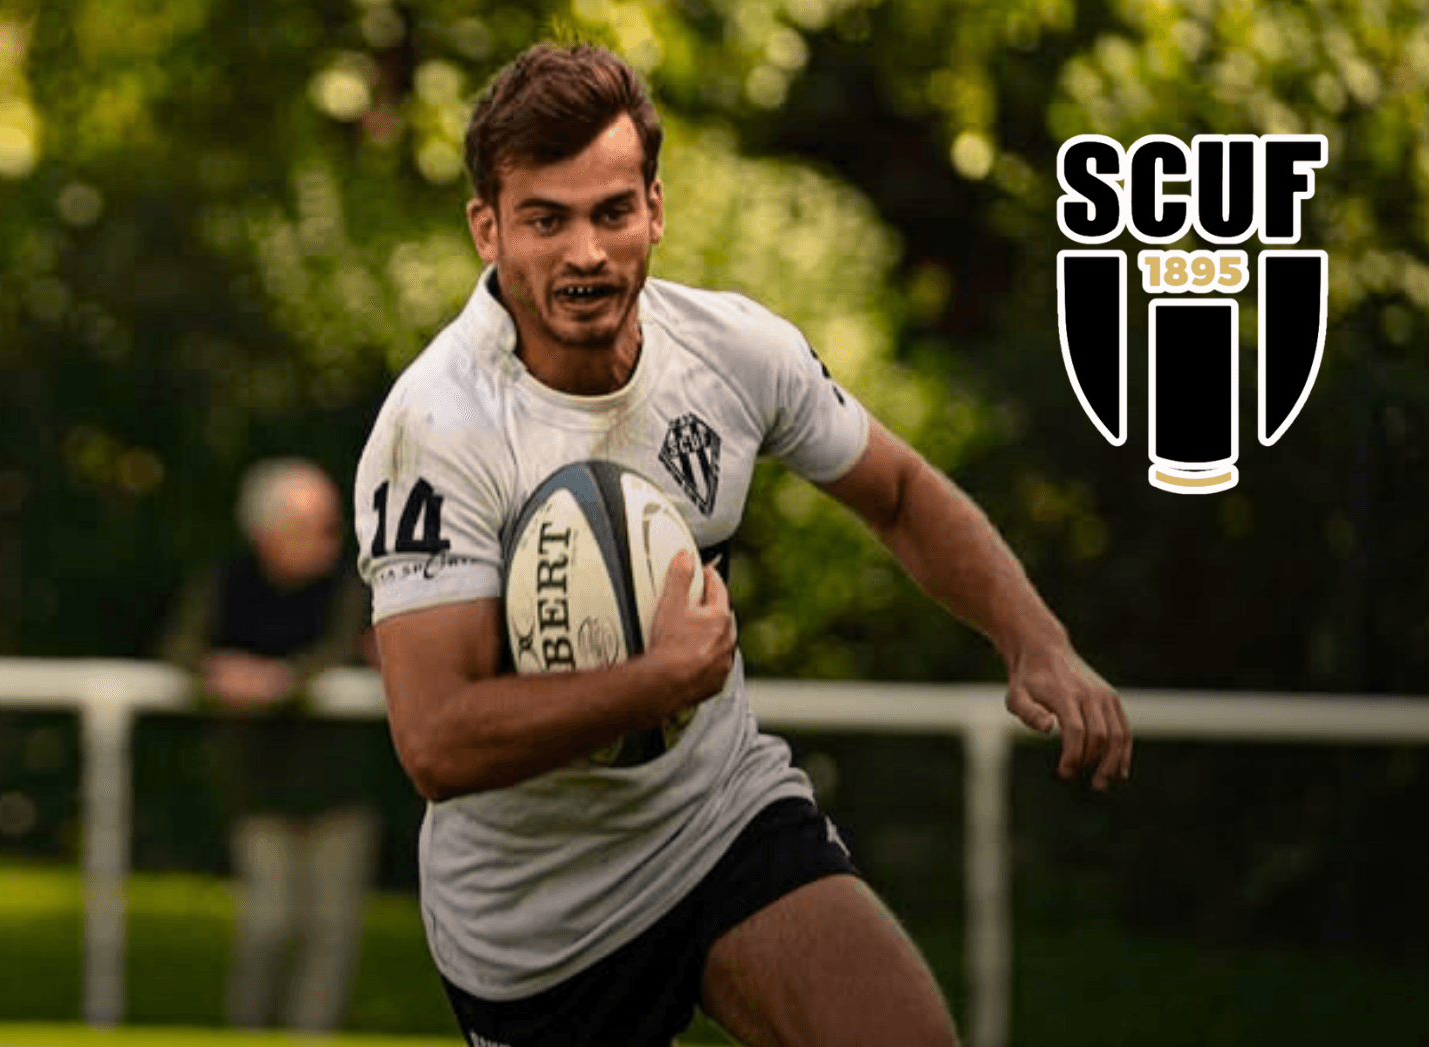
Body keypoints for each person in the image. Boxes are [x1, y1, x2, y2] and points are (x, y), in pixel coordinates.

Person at [352, 43, 1133, 1046]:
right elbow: (436, 739)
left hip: (718, 820)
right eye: (545, 219)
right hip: (535, 925)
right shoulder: (437, 428)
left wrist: (1036, 641)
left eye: (611, 211)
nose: (585, 252)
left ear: (656, 211)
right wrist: (660, 679)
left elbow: (896, 492)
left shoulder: (731, 351)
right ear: (486, 229)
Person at [158, 457, 386, 1032]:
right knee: (270, 923)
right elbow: (179, 647)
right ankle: (249, 1034)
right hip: (257, 784)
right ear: (267, 532)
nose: (329, 540)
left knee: (331, 930)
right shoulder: (225, 584)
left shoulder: (350, 588)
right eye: (313, 527)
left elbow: (339, 651)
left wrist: (278, 683)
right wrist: (217, 673)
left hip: (339, 789)